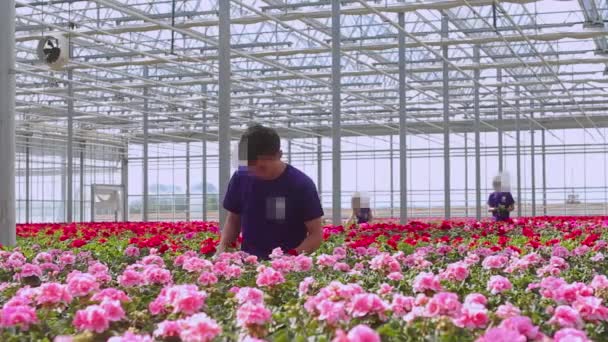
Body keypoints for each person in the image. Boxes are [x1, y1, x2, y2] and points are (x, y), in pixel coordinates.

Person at [216, 124, 325, 259]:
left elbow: (315, 235)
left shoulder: (300, 185)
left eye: (261, 167)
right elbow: (233, 219)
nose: (254, 172)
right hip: (248, 264)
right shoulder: (240, 177)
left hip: (287, 270)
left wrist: (288, 259)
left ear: (279, 155)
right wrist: (223, 249)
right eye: (250, 166)